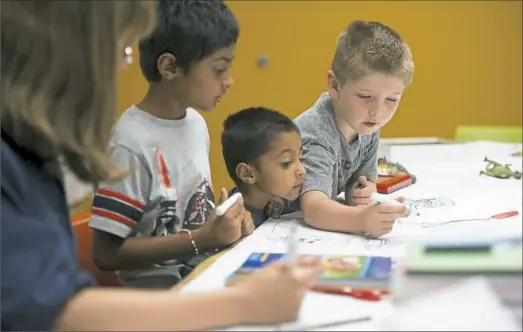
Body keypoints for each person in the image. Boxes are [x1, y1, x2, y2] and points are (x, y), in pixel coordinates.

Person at [0, 1, 320, 331]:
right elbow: (57, 306)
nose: (125, 61)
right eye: (119, 45)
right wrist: (229, 281)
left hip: (196, 276)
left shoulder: (195, 125)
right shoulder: (122, 143)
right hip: (166, 292)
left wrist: (221, 229)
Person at [89, 0, 255, 289]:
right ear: (169, 67)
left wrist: (226, 226)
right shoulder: (130, 144)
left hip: (200, 275)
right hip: (156, 296)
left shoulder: (195, 124)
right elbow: (105, 253)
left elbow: (191, 218)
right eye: (219, 69)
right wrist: (201, 239)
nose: (229, 81)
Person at [294, 20, 414, 237]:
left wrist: (359, 191)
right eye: (365, 97)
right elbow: (313, 208)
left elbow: (360, 181)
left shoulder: (365, 125)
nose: (377, 112)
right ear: (335, 85)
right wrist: (361, 220)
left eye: (392, 99)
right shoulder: (318, 133)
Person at [221, 107, 306, 228]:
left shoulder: (273, 200)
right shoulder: (232, 225)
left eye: (300, 158)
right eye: (286, 163)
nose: (302, 171)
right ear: (248, 174)